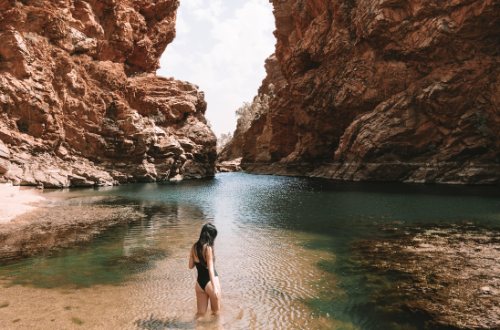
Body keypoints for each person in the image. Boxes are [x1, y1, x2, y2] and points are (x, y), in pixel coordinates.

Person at [189, 223, 221, 316]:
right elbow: (210, 268)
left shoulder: (194, 247)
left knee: (200, 315)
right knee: (216, 314)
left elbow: (190, 266)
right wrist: (215, 288)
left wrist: (192, 256)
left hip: (199, 284)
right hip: (211, 283)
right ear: (210, 236)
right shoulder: (208, 248)